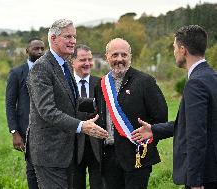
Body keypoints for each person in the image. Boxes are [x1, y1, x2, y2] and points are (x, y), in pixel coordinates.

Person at [132, 25, 217, 189]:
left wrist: (195, 181)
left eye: (174, 47)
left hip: (205, 177)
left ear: (183, 50)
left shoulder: (196, 83)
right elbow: (193, 123)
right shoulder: (212, 77)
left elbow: (196, 134)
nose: (174, 52)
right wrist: (154, 130)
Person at [27, 19, 108, 189]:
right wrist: (81, 126)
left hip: (65, 152)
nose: (73, 41)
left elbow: (72, 102)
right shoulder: (42, 67)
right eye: (68, 36)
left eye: (74, 36)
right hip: (50, 153)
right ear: (54, 39)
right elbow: (47, 111)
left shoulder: (64, 65)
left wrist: (103, 103)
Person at [94, 38, 168, 189]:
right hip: (109, 157)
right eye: (114, 55)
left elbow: (161, 118)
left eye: (124, 55)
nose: (119, 59)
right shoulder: (101, 85)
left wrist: (147, 143)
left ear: (130, 57)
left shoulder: (145, 81)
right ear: (106, 56)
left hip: (137, 155)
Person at [5, 38, 45, 189]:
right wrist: (14, 132)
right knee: (32, 169)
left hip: (48, 129)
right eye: (36, 49)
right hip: (27, 129)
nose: (40, 52)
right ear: (27, 50)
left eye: (42, 48)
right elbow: (10, 104)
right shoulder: (17, 73)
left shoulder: (49, 71)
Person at [71, 44, 104, 189]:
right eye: (83, 60)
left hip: (97, 147)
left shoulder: (102, 83)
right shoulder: (66, 84)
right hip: (72, 148)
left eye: (90, 59)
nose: (88, 63)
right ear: (72, 61)